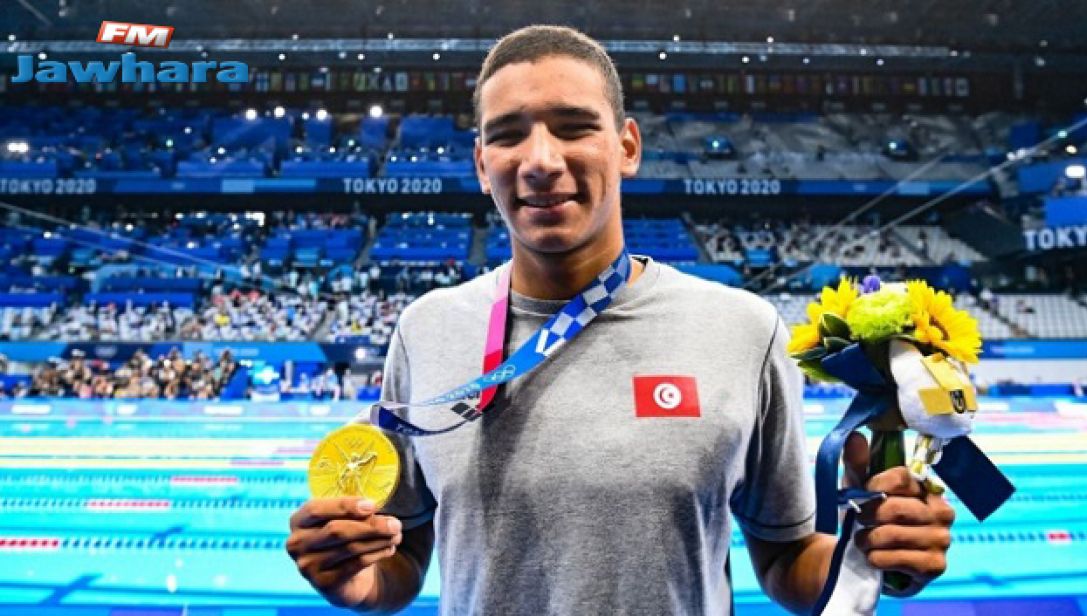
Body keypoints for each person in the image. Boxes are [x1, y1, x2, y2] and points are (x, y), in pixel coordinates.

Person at [287, 25, 954, 615]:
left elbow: (787, 560)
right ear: (482, 165)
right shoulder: (427, 329)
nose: (540, 160)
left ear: (627, 146)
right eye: (508, 134)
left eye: (573, 126)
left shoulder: (743, 329)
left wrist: (873, 552)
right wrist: (355, 580)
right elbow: (401, 562)